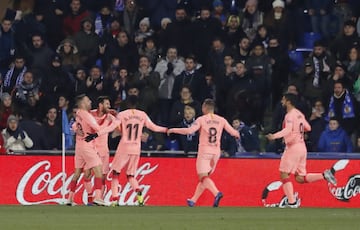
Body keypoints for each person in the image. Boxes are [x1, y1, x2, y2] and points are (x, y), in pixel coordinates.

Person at [266, 93, 337, 208]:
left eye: (284, 99)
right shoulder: (299, 114)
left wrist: (274, 136)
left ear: (289, 101)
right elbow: (308, 127)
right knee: (299, 178)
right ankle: (324, 175)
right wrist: (298, 132)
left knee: (284, 174)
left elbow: (288, 130)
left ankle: (292, 202)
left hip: (293, 147)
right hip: (302, 147)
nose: (282, 101)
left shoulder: (289, 115)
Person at [167, 99, 240, 207]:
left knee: (203, 177)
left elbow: (190, 131)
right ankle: (193, 200)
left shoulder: (201, 119)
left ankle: (217, 193)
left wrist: (173, 130)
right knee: (205, 178)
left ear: (205, 107)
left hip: (205, 151)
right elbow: (234, 133)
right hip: (216, 153)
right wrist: (237, 135)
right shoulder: (222, 120)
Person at [97, 95, 167, 206]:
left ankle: (115, 199)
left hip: (124, 147)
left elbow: (112, 127)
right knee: (130, 175)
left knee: (116, 173)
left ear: (127, 103)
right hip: (136, 148)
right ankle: (140, 197)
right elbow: (153, 127)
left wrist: (99, 132)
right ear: (137, 103)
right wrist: (166, 129)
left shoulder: (123, 114)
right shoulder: (142, 115)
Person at [65, 94, 117, 206]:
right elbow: (97, 129)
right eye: (88, 101)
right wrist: (111, 125)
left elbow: (74, 125)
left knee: (77, 172)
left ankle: (70, 199)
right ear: (83, 103)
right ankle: (97, 197)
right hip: (87, 145)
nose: (90, 102)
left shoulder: (79, 113)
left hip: (79, 146)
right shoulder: (88, 115)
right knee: (98, 170)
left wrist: (75, 129)